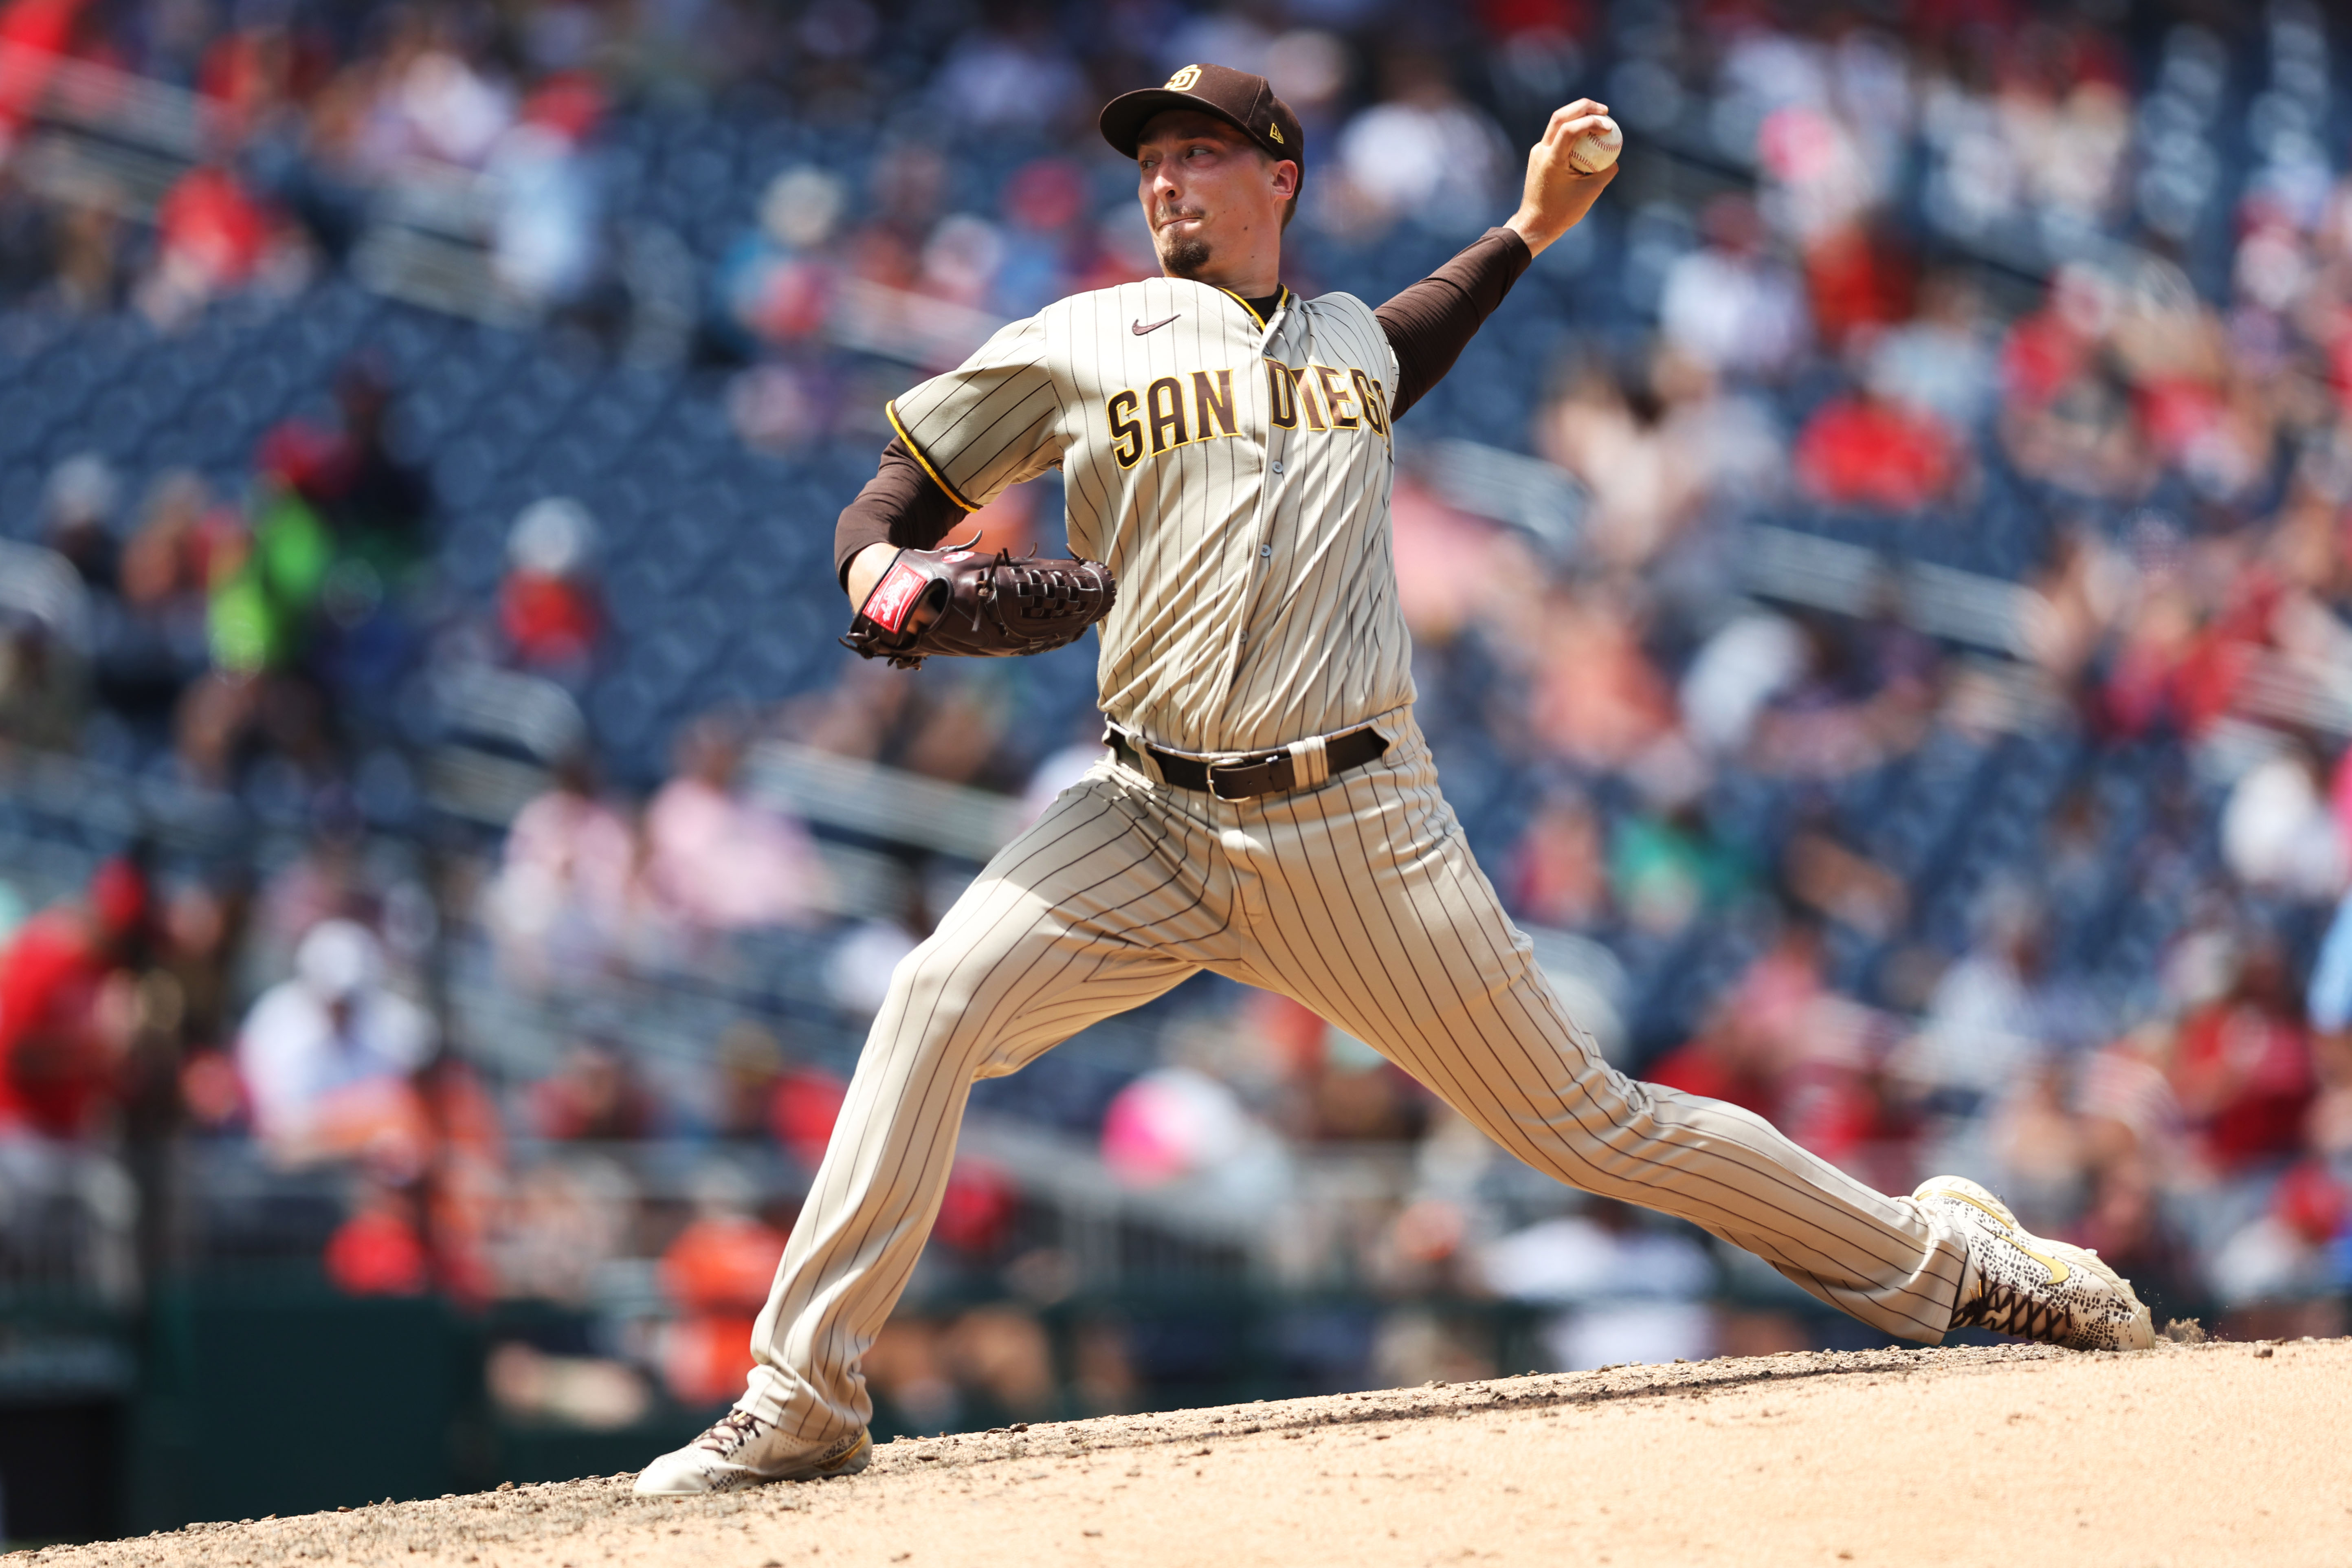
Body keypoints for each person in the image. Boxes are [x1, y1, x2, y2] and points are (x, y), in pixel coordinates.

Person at [636, 64, 2153, 1496]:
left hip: (1355, 827)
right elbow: (887, 500)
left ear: (1278, 177)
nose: (1166, 177)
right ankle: (804, 1397)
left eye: (1200, 151)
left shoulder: (1354, 341)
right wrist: (889, 581)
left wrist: (1529, 229)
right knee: (935, 1000)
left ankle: (1943, 1258)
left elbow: (1425, 327)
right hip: (1146, 813)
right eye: (1151, 159)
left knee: (1594, 1126)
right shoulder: (1080, 338)